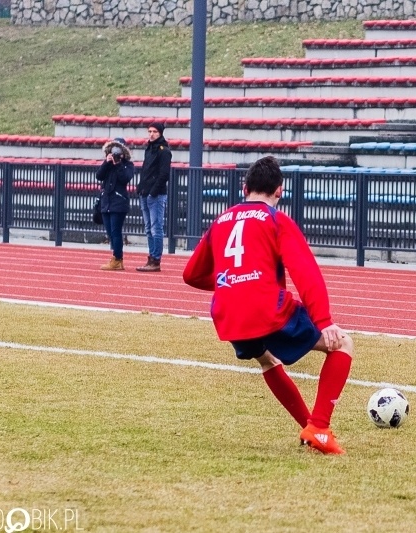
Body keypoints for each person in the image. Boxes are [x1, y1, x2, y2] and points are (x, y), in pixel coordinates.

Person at [182, 155, 353, 455]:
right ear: (280, 191)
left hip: (227, 313)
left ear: (244, 187)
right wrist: (324, 321)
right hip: (264, 307)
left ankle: (310, 429)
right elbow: (305, 273)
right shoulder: (276, 220)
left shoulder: (221, 220)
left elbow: (191, 274)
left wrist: (231, 281)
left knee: (268, 361)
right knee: (342, 344)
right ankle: (320, 427)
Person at [135, 122, 172, 272]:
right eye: (149, 131)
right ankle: (151, 257)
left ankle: (156, 259)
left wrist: (153, 192)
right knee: (148, 228)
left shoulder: (164, 151)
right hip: (145, 192)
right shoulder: (149, 149)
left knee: (156, 228)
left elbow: (164, 175)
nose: (151, 134)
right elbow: (145, 171)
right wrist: (141, 188)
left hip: (155, 195)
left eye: (154, 131)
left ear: (160, 133)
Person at [96, 137, 134, 271]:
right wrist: (106, 163)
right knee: (110, 232)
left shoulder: (127, 165)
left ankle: (118, 259)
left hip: (119, 202)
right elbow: (99, 176)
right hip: (106, 201)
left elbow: (125, 178)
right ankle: (116, 257)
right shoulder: (108, 164)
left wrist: (118, 164)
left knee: (115, 231)